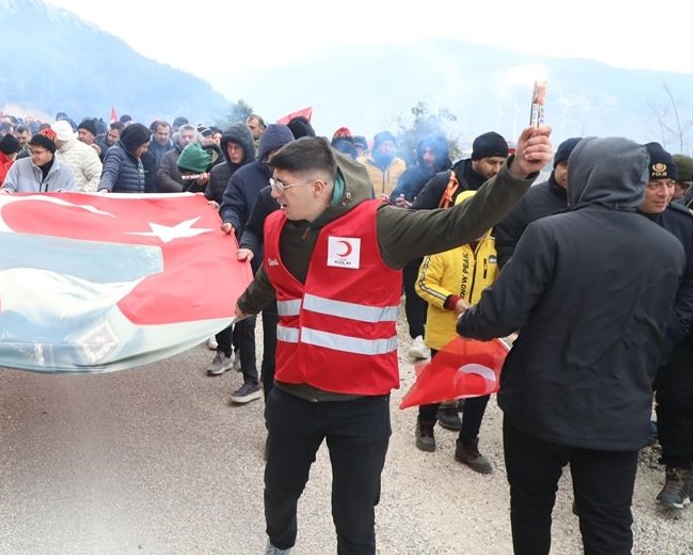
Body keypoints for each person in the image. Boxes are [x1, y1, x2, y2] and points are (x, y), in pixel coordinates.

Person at [234, 126, 551, 555]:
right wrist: (238, 308)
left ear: (318, 186)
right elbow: (269, 278)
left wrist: (515, 173)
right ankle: (280, 544)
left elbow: (459, 222)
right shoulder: (276, 225)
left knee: (355, 510)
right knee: (279, 490)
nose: (273, 193)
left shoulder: (381, 225)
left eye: (281, 185)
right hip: (291, 394)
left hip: (359, 404)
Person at [456, 137, 683, 555]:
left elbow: (500, 314)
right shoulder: (668, 248)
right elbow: (659, 325)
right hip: (619, 410)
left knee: (531, 507)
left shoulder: (550, 233)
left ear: (583, 174)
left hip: (540, 405)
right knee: (610, 526)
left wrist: (467, 321)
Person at [403, 131, 510, 362]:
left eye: (502, 163)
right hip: (434, 253)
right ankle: (419, 338)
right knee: (421, 295)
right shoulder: (447, 182)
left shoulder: (501, 188)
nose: (497, 169)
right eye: (492, 162)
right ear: (475, 159)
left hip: (479, 260)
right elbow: (414, 217)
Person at [412, 189, 497, 473]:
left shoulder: (496, 249)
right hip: (445, 330)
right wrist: (453, 301)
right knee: (439, 381)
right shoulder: (442, 245)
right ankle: (425, 426)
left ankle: (468, 444)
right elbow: (422, 284)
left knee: (479, 389)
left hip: (481, 332)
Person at [211, 124, 294, 388]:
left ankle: (273, 383)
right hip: (248, 259)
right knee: (245, 322)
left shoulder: (299, 179)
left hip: (284, 266)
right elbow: (232, 205)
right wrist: (230, 222)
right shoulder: (245, 177)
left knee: (275, 333)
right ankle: (249, 379)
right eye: (272, 153)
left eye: (283, 152)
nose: (277, 159)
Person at [638, 143, 693, 512]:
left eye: (670, 184)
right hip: (621, 334)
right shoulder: (614, 219)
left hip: (674, 334)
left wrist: (671, 329)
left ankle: (678, 470)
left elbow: (690, 287)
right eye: (653, 184)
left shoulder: (684, 226)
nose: (663, 192)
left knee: (678, 402)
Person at [493, 137, 581, 268]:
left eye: (577, 166)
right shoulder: (526, 200)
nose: (569, 172)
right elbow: (505, 244)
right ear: (555, 166)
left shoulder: (597, 206)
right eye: (565, 165)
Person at [2, 131, 77, 192]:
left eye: (38, 153)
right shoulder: (19, 166)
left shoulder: (67, 173)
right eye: (32, 152)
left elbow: (68, 200)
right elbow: (8, 189)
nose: (33, 156)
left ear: (50, 152)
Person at [390, 134, 450, 205]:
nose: (426, 157)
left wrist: (415, 206)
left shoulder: (448, 177)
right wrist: (399, 201)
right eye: (424, 152)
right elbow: (395, 195)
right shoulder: (410, 173)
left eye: (432, 153)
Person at [207, 124, 253, 205]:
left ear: (246, 148)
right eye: (229, 147)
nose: (232, 152)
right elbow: (208, 200)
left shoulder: (259, 171)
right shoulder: (216, 172)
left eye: (237, 147)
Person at [51, 120, 103, 192]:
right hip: (57, 199)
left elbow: (98, 176)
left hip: (79, 201)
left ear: (58, 137)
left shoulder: (86, 151)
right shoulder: (54, 153)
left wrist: (83, 194)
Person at [98, 123, 151, 194]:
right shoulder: (116, 152)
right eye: (143, 147)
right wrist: (104, 189)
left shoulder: (136, 158)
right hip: (118, 203)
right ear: (134, 144)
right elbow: (110, 173)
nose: (145, 150)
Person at [360, 131, 407, 199]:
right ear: (376, 146)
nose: (387, 148)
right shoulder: (362, 162)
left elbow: (403, 188)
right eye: (384, 145)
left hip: (391, 206)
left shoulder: (400, 164)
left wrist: (393, 199)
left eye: (390, 145)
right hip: (369, 206)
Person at [157, 124, 200, 193]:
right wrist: (183, 190)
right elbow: (163, 176)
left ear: (195, 139)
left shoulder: (203, 157)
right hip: (174, 196)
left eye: (190, 137)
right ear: (179, 138)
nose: (187, 139)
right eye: (183, 137)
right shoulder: (169, 156)